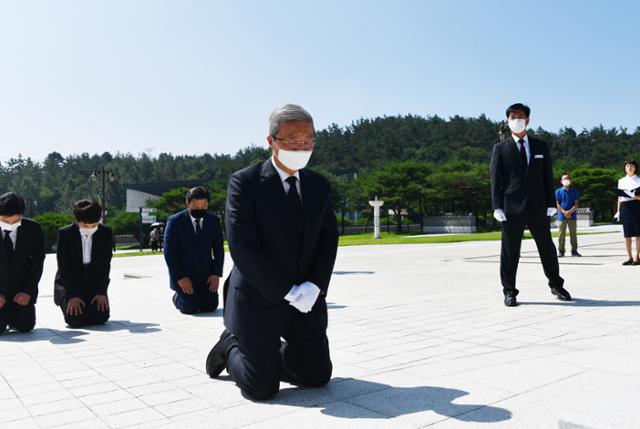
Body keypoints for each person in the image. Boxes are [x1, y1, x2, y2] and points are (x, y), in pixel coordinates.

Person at [205, 104, 339, 400]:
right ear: (271, 141)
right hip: (259, 295)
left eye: (308, 140)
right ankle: (231, 345)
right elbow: (242, 247)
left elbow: (329, 239)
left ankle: (264, 357)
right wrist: (286, 290)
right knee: (261, 389)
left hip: (305, 297)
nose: (301, 146)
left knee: (316, 376)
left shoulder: (318, 184)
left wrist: (315, 286)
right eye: (292, 140)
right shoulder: (245, 182)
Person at [490, 103, 572, 307]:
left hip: (537, 207)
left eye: (519, 116)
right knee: (510, 252)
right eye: (511, 116)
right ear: (508, 121)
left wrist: (551, 203)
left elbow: (547, 176)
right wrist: (497, 206)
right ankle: (509, 291)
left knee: (547, 249)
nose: (515, 119)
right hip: (511, 208)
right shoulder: (500, 148)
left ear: (527, 119)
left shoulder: (540, 146)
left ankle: (556, 285)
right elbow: (495, 179)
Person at [163, 187, 224, 314]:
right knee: (189, 308)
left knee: (210, 306)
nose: (200, 209)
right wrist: (180, 277)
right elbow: (170, 253)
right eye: (195, 205)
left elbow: (218, 249)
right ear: (187, 203)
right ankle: (177, 297)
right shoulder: (175, 221)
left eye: (204, 205)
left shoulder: (213, 221)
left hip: (206, 275)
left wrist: (216, 274)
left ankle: (199, 296)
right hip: (184, 275)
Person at [54, 200, 113, 328]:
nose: (90, 228)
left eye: (94, 225)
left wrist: (101, 292)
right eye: (86, 225)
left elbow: (105, 265)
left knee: (100, 318)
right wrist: (73, 295)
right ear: (77, 220)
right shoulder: (65, 234)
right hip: (70, 284)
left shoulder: (106, 232)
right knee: (75, 320)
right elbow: (64, 267)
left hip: (94, 285)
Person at [0, 192, 45, 334]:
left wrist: (27, 292)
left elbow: (37, 263)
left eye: (15, 221)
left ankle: (10, 317)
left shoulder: (33, 229)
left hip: (21, 292)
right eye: (5, 221)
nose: (10, 225)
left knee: (25, 326)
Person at [614, 160, 640, 265]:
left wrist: (634, 195)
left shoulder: (639, 180)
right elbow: (619, 197)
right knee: (627, 234)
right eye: (627, 166)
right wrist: (618, 211)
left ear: (635, 168)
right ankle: (629, 257)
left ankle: (636, 257)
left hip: (636, 205)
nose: (629, 168)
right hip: (625, 207)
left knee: (638, 234)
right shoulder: (621, 181)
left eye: (631, 166)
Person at [555, 173, 581, 257]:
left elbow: (576, 204)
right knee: (561, 234)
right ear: (561, 181)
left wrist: (569, 212)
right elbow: (557, 204)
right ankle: (561, 251)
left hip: (572, 216)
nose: (566, 180)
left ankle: (574, 251)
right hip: (561, 217)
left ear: (570, 180)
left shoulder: (574, 191)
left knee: (573, 234)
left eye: (568, 178)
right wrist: (564, 212)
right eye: (564, 179)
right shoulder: (558, 191)